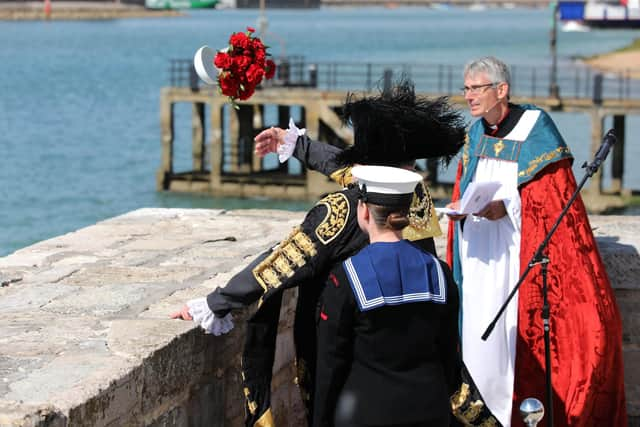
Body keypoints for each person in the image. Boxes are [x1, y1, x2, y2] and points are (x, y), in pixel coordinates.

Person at [171, 80, 470, 427]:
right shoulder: (413, 198)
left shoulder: (343, 209)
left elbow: (280, 264)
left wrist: (215, 303)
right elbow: (348, 168)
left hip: (354, 361)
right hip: (417, 369)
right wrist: (298, 145)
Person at [446, 56, 627, 426]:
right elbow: (466, 182)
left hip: (517, 260)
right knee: (479, 350)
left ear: (501, 90)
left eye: (476, 88)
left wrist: (507, 207)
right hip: (479, 258)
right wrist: (462, 209)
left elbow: (553, 200)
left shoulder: (535, 129)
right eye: (465, 88)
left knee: (511, 350)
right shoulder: (476, 133)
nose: (469, 96)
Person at [313, 165, 460, 427]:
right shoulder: (439, 272)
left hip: (366, 413)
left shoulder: (346, 277)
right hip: (430, 410)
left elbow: (330, 364)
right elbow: (449, 354)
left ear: (364, 211)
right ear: (405, 213)